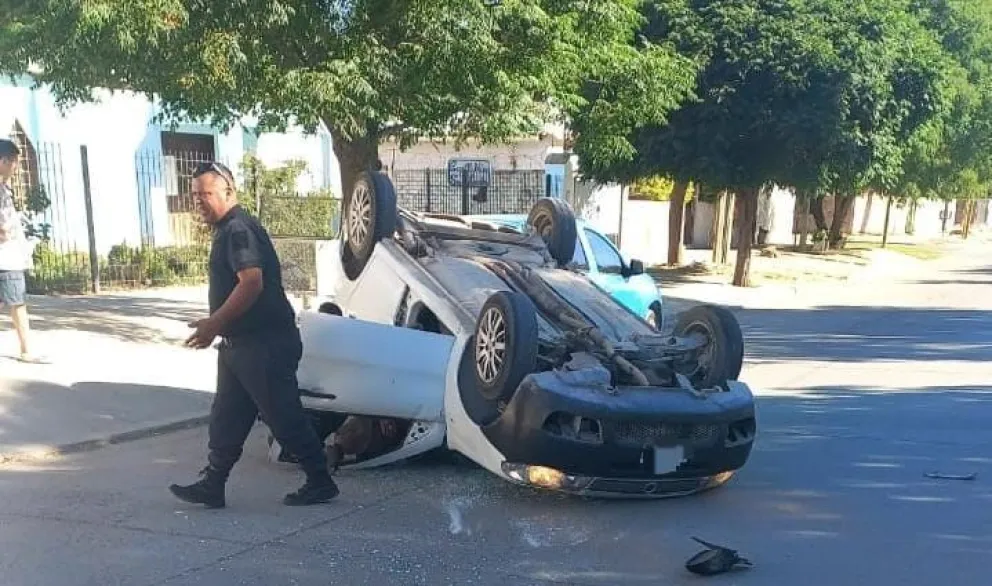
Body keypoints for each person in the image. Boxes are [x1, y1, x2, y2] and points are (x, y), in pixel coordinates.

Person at [169, 161, 339, 508]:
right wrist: (220, 328)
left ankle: (320, 480)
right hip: (239, 345)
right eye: (195, 195)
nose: (198, 201)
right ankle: (213, 484)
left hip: (264, 343)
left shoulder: (238, 230)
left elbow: (251, 282)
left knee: (284, 418)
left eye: (206, 194)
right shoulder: (229, 229)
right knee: (227, 417)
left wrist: (214, 323)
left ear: (228, 191)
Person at [0, 139, 44, 363]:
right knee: (17, 304)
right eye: (15, 162)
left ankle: (27, 349)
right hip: (5, 257)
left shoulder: (4, 188)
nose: (16, 167)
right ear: (3, 161)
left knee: (15, 302)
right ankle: (27, 350)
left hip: (8, 255)